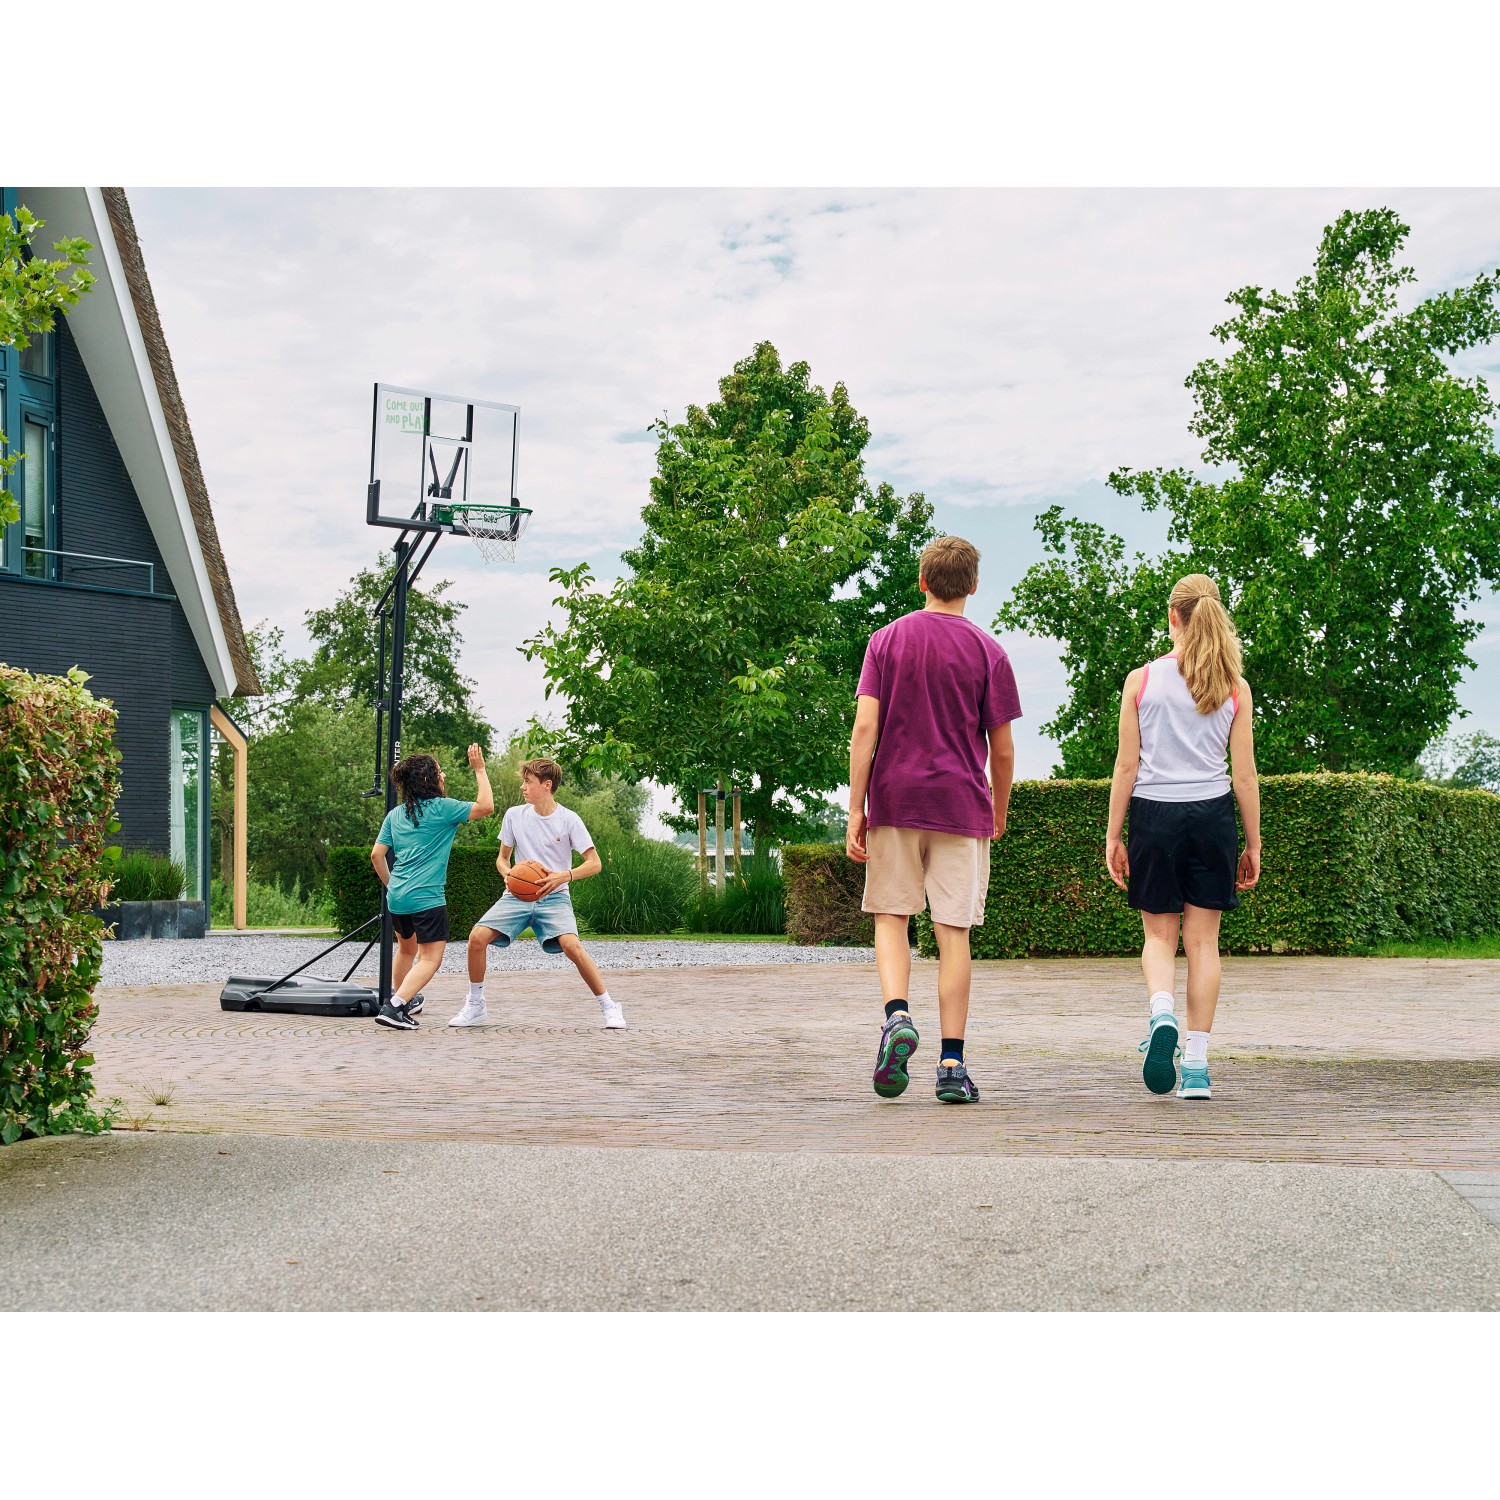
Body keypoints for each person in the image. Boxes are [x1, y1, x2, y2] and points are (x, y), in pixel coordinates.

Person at [847, 535, 1020, 1104]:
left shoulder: (885, 641)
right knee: (953, 934)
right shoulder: (989, 652)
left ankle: (897, 1017)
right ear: (974, 586)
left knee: (891, 917)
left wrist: (856, 808)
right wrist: (997, 811)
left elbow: (865, 730)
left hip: (895, 800)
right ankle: (951, 1065)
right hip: (960, 805)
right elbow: (1002, 750)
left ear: (922, 581)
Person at [1105, 574, 1262, 1100]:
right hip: (1212, 816)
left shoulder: (1142, 680)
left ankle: (1161, 1014)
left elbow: (1126, 766)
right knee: (1203, 944)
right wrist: (1253, 844)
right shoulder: (1235, 687)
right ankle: (1195, 1067)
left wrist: (1114, 835)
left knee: (1158, 938)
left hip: (1154, 815)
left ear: (1173, 616)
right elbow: (1244, 776)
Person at [450, 756, 625, 1030]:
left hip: (555, 896)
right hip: (517, 896)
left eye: (528, 782)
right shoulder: (514, 815)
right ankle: (475, 1004)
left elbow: (595, 863)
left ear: (546, 785)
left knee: (572, 946)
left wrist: (563, 876)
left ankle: (609, 1006)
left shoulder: (569, 819)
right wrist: (508, 874)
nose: (523, 787)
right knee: (476, 938)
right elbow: (502, 858)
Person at [371, 745, 494, 1031]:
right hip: (426, 897)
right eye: (440, 772)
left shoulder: (395, 814)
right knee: (430, 958)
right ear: (429, 780)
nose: (444, 775)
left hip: (398, 897)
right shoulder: (443, 808)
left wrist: (392, 885)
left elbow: (376, 855)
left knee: (406, 951)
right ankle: (395, 1006)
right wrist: (479, 769)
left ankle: (402, 1000)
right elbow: (486, 806)